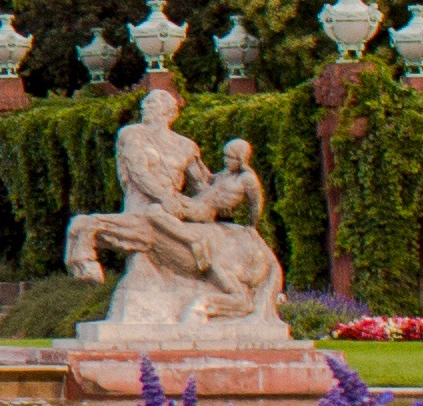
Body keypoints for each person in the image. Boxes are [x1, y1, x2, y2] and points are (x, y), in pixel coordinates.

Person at [64, 82, 289, 337]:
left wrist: (232, 187)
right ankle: (83, 258)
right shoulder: (132, 134)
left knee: (87, 223)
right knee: (89, 223)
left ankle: (196, 252)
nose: (145, 105)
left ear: (170, 112)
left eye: (153, 102)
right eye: (146, 102)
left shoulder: (186, 146)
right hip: (143, 207)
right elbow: (138, 172)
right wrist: (164, 197)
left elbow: (203, 183)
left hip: (174, 209)